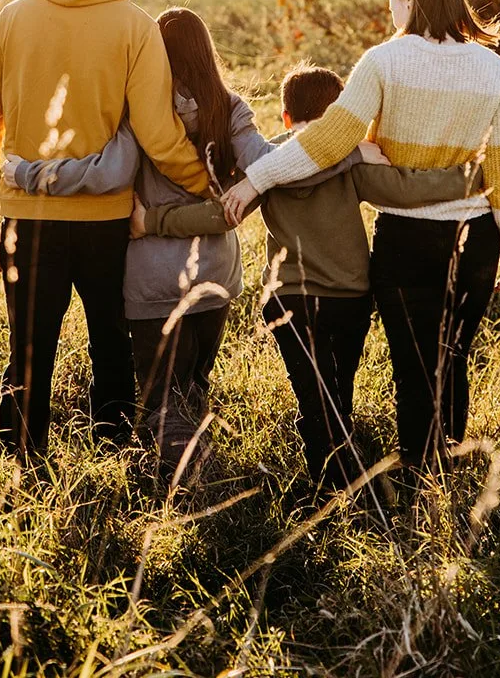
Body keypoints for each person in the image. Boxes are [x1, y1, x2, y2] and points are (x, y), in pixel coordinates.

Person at [223, 0, 500, 483]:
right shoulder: (493, 68)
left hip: (407, 236)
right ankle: (446, 467)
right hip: (475, 235)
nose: (390, 10)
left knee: (413, 365)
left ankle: (419, 474)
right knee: (452, 355)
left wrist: (257, 178)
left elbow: (326, 139)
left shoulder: (384, 61)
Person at [137, 62, 475, 494]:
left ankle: (333, 487)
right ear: (338, 115)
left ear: (284, 117)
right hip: (350, 296)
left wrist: (152, 220)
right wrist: (471, 174)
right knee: (336, 396)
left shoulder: (266, 162)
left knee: (319, 402)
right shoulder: (346, 156)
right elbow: (407, 189)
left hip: (291, 299)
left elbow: (220, 214)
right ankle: (341, 490)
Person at [0, 0, 209, 461]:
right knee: (111, 347)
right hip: (105, 224)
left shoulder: (13, 17)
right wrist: (207, 185)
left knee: (27, 352)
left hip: (25, 221)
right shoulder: (136, 26)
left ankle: (22, 469)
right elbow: (158, 135)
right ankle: (116, 457)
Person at [2, 6, 268, 477]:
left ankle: (181, 498)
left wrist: (26, 172)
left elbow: (107, 173)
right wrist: (326, 140)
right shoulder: (231, 109)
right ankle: (202, 485)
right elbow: (265, 167)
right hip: (217, 279)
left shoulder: (144, 111)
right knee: (194, 388)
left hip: (152, 286)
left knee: (163, 403)